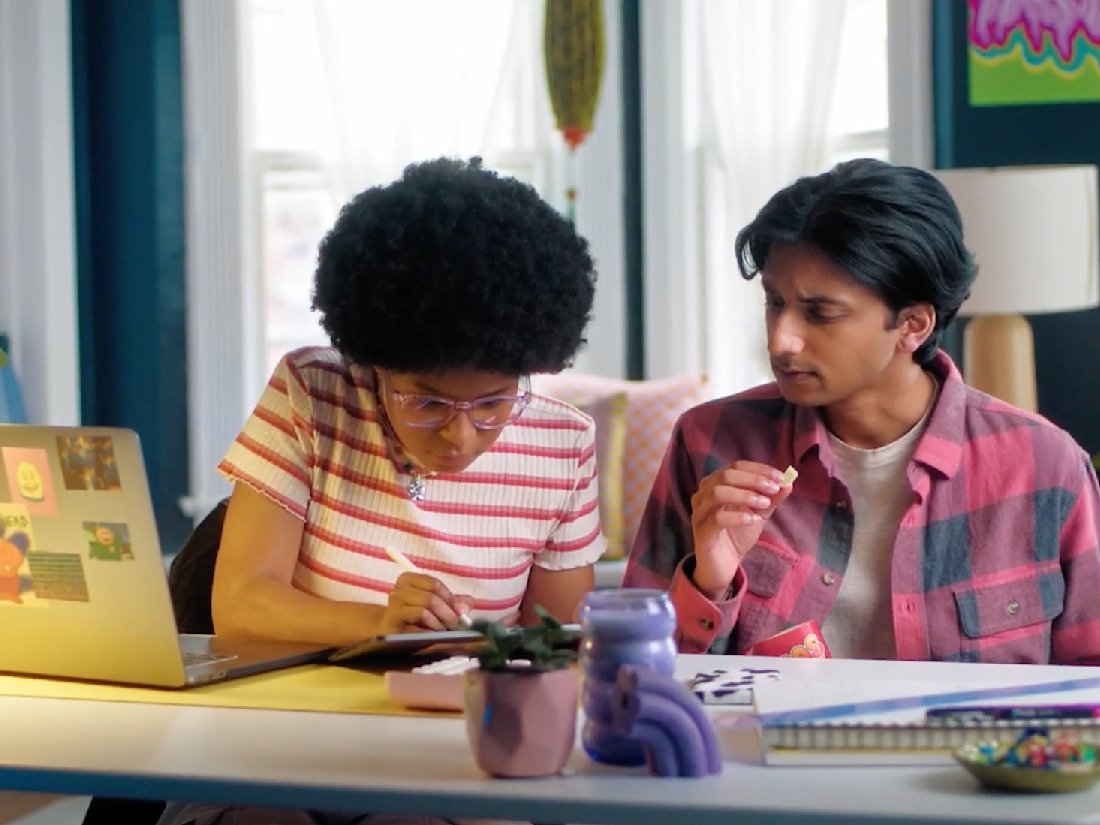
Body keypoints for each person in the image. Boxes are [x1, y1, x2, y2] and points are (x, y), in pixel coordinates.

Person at [157, 157, 604, 825]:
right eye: (424, 400)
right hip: (277, 735)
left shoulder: (562, 443)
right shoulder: (313, 392)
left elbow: (562, 643)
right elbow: (241, 603)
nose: (459, 434)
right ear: (371, 362)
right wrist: (379, 623)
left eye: (491, 403)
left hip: (456, 747)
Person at [623, 157, 1100, 665]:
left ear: (913, 325)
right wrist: (708, 581)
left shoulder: (1045, 467)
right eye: (774, 302)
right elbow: (632, 672)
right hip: (758, 744)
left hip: (971, 748)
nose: (781, 340)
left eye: (820, 314)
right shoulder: (711, 441)